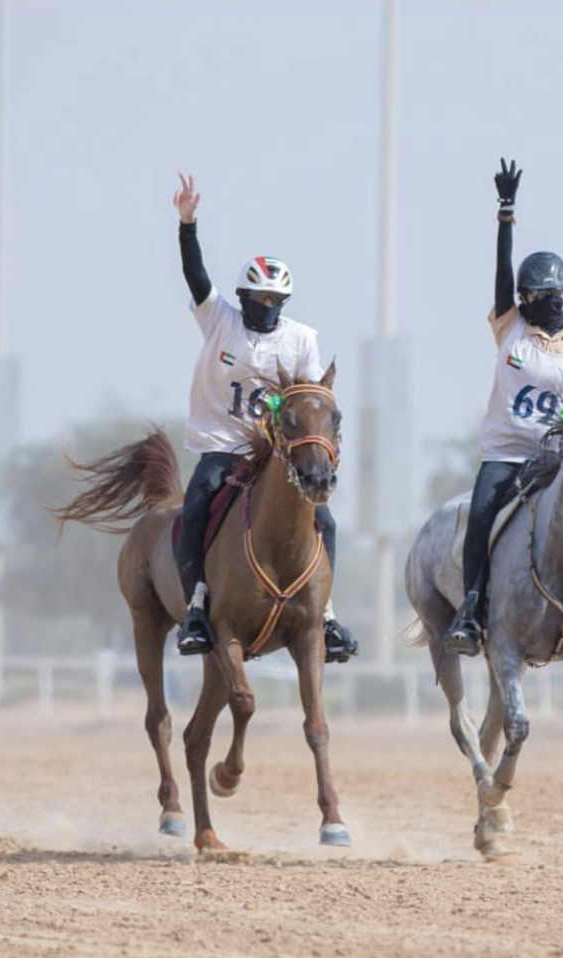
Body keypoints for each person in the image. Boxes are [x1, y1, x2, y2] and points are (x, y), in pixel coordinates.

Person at [445, 158, 563, 668]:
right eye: (539, 295)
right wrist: (505, 215)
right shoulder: (509, 328)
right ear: (524, 298)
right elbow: (500, 274)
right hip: (506, 453)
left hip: (558, 461)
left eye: (557, 295)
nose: (550, 302)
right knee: (482, 516)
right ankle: (471, 609)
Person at [172, 172, 358, 662]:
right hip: (223, 443)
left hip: (279, 451)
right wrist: (188, 224)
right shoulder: (220, 320)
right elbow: (196, 277)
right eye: (259, 300)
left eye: (276, 301)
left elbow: (314, 398)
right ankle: (196, 608)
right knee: (195, 507)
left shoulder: (301, 339)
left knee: (328, 524)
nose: (267, 307)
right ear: (245, 299)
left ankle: (327, 616)